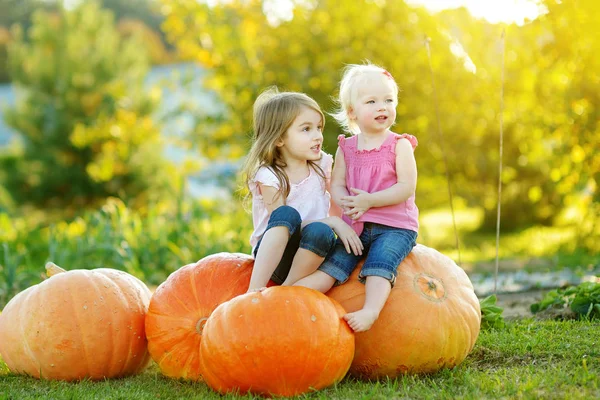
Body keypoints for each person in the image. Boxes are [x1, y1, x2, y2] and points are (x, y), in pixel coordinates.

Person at [294, 63, 419, 332]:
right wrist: (347, 202)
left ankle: (370, 311)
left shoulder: (400, 145)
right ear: (352, 112)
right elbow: (336, 185)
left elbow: (406, 187)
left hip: (395, 227)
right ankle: (287, 295)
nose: (382, 107)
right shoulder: (346, 148)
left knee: (380, 264)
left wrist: (369, 201)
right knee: (334, 266)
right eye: (372, 101)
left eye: (388, 100)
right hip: (356, 228)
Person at [241, 87, 363, 293]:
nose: (317, 136)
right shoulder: (268, 175)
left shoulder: (321, 164)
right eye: (306, 129)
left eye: (319, 128)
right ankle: (254, 291)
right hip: (276, 259)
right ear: (279, 138)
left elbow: (336, 209)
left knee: (322, 231)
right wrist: (332, 222)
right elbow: (283, 228)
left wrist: (347, 227)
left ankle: (286, 291)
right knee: (287, 214)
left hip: (312, 255)